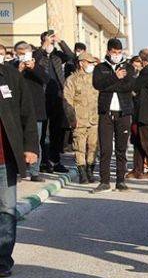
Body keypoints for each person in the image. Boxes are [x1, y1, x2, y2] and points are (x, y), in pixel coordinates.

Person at [0, 57, 40, 277]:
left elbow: (27, 114)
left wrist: (31, 147)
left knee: (6, 210)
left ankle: (3, 261)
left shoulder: (11, 76)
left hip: (5, 159)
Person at [92, 38, 138, 193]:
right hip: (106, 112)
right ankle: (104, 181)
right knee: (105, 149)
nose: (117, 55)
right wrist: (115, 77)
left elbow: (129, 86)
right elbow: (98, 85)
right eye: (114, 52)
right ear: (108, 52)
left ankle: (120, 181)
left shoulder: (128, 67)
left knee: (121, 149)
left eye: (119, 52)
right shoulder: (100, 68)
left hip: (123, 112)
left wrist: (112, 84)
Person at [33, 30, 73, 174]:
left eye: (52, 41)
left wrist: (60, 42)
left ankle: (55, 161)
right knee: (43, 132)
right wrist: (44, 46)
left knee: (57, 131)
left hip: (57, 96)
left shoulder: (57, 56)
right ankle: (43, 162)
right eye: (49, 40)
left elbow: (71, 56)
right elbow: (33, 59)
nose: (51, 43)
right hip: (42, 97)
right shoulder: (38, 54)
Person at [12, 42, 48, 182]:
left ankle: (34, 171)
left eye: (25, 53)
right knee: (16, 140)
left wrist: (33, 68)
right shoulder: (11, 67)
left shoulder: (38, 65)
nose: (23, 56)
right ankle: (18, 170)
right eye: (20, 53)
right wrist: (19, 71)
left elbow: (47, 80)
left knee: (35, 140)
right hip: (16, 110)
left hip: (35, 110)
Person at [63, 53, 99, 184]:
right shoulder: (72, 80)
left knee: (93, 146)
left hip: (94, 119)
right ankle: (82, 172)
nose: (91, 65)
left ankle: (90, 170)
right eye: (89, 62)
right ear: (81, 63)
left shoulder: (95, 78)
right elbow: (67, 101)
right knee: (80, 147)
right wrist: (72, 119)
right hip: (79, 120)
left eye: (92, 63)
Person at [127, 48, 148, 179]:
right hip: (141, 112)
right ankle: (138, 168)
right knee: (137, 141)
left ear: (142, 60)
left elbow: (134, 87)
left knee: (147, 142)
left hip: (146, 113)